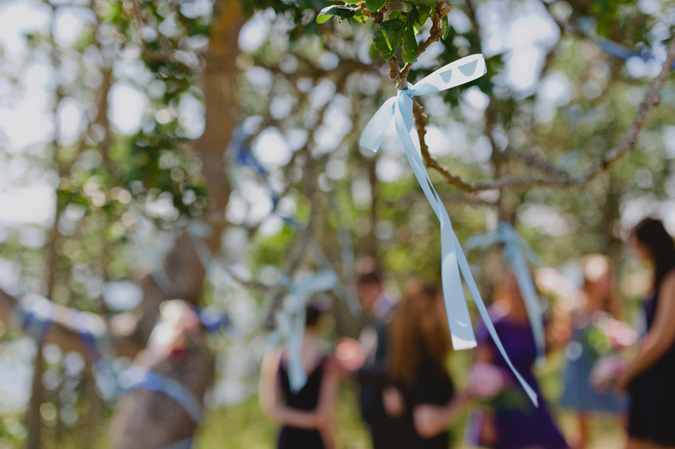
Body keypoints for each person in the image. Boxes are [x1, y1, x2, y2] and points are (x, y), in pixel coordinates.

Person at [469, 270, 569, 449]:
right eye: (512, 286)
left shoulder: (538, 321)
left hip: (530, 392)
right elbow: (480, 369)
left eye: (521, 286)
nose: (517, 291)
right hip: (501, 398)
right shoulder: (493, 322)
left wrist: (557, 300)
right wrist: (486, 415)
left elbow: (547, 350)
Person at [386, 280, 472, 448]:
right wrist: (463, 400)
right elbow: (427, 424)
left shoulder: (404, 362)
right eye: (441, 306)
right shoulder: (426, 363)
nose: (446, 312)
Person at [558, 254, 628, 449]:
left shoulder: (611, 305)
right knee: (581, 430)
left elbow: (618, 335)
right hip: (580, 370)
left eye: (606, 277)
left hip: (604, 370)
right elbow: (562, 336)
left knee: (624, 416)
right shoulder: (574, 306)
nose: (603, 283)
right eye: (598, 279)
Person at [617, 218, 675, 449]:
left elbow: (661, 338)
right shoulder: (659, 278)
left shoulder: (672, 278)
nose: (634, 250)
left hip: (663, 381)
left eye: (636, 244)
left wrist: (627, 374)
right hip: (652, 376)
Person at [259, 302, 341, 449]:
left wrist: (308, 420)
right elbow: (326, 416)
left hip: (288, 439)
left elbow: (271, 407)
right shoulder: (329, 362)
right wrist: (314, 422)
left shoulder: (274, 357)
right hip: (316, 439)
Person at [335, 270, 399, 449]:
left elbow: (397, 360)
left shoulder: (394, 315)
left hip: (390, 415)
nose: (360, 303)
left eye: (359, 295)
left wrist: (354, 372)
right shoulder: (380, 317)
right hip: (380, 415)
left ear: (371, 288)